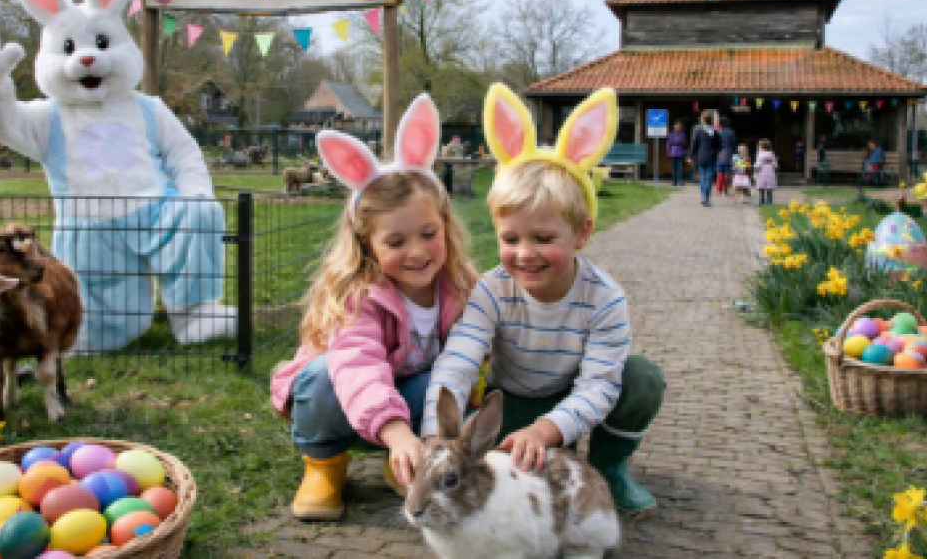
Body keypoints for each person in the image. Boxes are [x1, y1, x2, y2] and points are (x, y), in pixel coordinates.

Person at [423, 83, 666, 519]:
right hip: (507, 404)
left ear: (582, 234)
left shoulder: (604, 299)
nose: (524, 253)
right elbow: (459, 358)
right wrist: (432, 440)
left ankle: (609, 467)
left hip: (564, 404)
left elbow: (598, 385)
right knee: (443, 380)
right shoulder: (491, 289)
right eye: (510, 239)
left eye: (543, 238)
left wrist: (549, 428)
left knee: (641, 378)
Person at [269, 94, 479, 521]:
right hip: (348, 405)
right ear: (367, 244)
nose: (417, 252)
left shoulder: (460, 287)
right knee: (324, 375)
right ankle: (324, 465)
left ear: (445, 226)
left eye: (428, 233)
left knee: (450, 386)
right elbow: (358, 367)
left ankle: (403, 459)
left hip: (406, 405)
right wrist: (396, 431)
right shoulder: (360, 296)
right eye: (396, 242)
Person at [687, 110, 719, 206]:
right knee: (708, 178)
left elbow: (694, 144)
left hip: (700, 156)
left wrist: (690, 156)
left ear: (703, 119)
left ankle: (703, 196)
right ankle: (706, 197)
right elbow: (718, 145)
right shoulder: (714, 131)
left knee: (702, 177)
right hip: (711, 157)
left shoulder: (697, 129)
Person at [715, 116, 737, 196]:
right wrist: (734, 153)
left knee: (720, 172)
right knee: (727, 172)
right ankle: (725, 191)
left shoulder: (718, 132)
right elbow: (734, 144)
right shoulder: (732, 132)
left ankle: (719, 190)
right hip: (729, 153)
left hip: (720, 153)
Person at [755, 139, 778, 205]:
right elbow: (775, 165)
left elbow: (758, 165)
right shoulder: (772, 154)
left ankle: (761, 201)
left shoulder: (760, 154)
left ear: (761, 147)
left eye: (759, 146)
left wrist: (755, 170)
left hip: (762, 172)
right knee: (769, 189)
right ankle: (769, 202)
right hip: (770, 172)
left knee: (761, 189)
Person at [666, 121, 688, 186]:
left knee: (680, 168)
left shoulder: (682, 135)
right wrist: (668, 152)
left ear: (680, 128)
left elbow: (684, 144)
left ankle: (680, 181)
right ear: (674, 127)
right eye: (676, 126)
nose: (677, 128)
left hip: (680, 153)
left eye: (679, 127)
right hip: (673, 153)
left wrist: (685, 152)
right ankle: (674, 182)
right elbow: (668, 144)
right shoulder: (671, 134)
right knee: (673, 168)